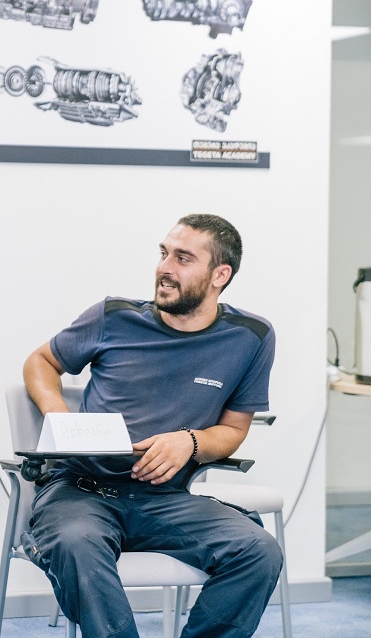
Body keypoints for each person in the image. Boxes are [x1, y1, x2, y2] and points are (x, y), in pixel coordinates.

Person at [22, 214, 282, 637]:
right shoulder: (113, 317)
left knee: (258, 551)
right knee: (76, 546)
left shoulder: (250, 337)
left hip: (165, 499)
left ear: (221, 274)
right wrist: (59, 416)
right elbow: (41, 361)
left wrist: (191, 442)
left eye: (183, 258)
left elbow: (233, 430)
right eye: (163, 254)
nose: (164, 267)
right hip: (80, 490)